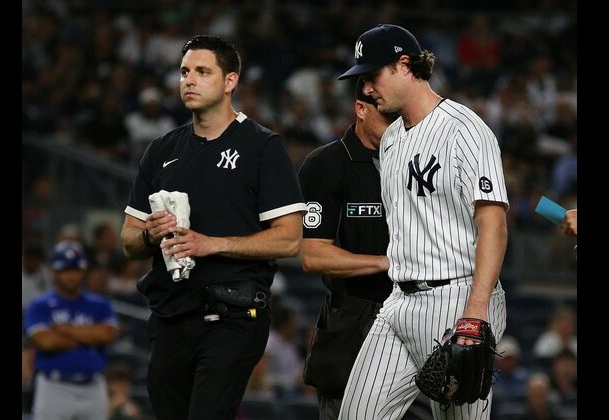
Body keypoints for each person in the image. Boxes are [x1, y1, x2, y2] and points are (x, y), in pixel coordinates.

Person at [120, 34, 306, 420]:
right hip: (171, 315)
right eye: (184, 71)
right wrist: (149, 235)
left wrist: (211, 244)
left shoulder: (262, 146)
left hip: (233, 314)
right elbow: (128, 240)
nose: (188, 80)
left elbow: (289, 239)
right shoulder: (162, 150)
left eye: (202, 71)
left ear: (230, 81)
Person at [336, 24, 509, 420]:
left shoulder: (464, 130)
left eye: (371, 75)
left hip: (456, 299)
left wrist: (477, 310)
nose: (365, 89)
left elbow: (493, 223)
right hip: (398, 300)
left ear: (403, 65)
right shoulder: (393, 137)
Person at [299, 79, 430, 420]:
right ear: (360, 109)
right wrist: (389, 262)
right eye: (387, 117)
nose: (397, 126)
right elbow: (313, 255)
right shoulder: (326, 164)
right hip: (355, 318)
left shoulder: (415, 161)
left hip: (418, 315)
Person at [24, 240, 119, 420]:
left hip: (94, 385)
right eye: (65, 270)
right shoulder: (40, 305)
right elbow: (45, 342)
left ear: (82, 271)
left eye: (75, 270)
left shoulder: (99, 303)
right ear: (54, 272)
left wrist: (64, 329)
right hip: (54, 387)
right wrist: (88, 336)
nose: (70, 276)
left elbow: (107, 334)